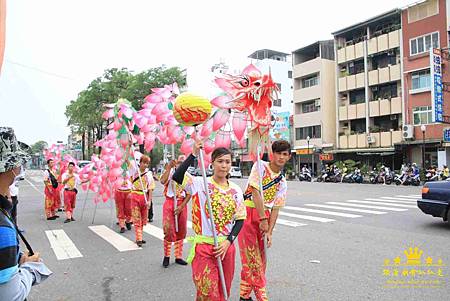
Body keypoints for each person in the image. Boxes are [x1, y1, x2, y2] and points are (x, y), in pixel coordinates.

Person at [172, 142, 246, 301]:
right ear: (212, 163)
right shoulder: (200, 183)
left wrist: (228, 242)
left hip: (226, 248)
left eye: (227, 162)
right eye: (220, 161)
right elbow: (177, 176)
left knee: (222, 292)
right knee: (208, 293)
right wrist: (193, 154)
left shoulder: (236, 190)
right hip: (204, 248)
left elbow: (240, 220)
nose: (224, 165)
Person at [0, 127, 52, 300]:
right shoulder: (2, 228)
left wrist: (18, 258)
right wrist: (31, 269)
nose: (19, 167)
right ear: (10, 168)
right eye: (17, 162)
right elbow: (10, 296)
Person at [238, 140, 290, 301]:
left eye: (285, 154)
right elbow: (255, 192)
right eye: (279, 153)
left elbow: (276, 208)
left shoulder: (282, 181)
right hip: (248, 213)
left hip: (265, 217)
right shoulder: (260, 166)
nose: (281, 157)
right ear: (272, 154)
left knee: (260, 258)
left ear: (288, 157)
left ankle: (244, 295)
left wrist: (269, 232)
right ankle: (262, 296)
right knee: (251, 258)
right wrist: (262, 219)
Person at [159, 155, 192, 268]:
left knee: (181, 230)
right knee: (168, 230)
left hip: (181, 204)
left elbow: (189, 194)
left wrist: (182, 206)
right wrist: (168, 168)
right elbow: (162, 181)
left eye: (183, 162)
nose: (181, 164)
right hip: (169, 203)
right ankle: (166, 256)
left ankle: (178, 256)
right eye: (179, 162)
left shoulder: (188, 177)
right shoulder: (171, 173)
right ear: (176, 163)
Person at [130, 155, 155, 247]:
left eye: (147, 163)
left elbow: (151, 188)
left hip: (144, 197)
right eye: (144, 162)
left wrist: (149, 201)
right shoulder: (134, 171)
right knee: (137, 218)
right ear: (139, 163)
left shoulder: (149, 174)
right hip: (135, 195)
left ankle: (139, 236)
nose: (145, 165)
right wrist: (129, 146)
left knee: (143, 219)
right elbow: (126, 160)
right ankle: (139, 238)